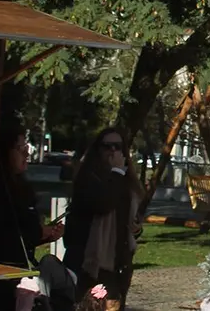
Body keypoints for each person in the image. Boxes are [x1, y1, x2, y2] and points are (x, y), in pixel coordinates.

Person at [0, 122, 65, 310]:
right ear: (5, 151)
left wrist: (45, 235)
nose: (26, 153)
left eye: (26, 147)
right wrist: (38, 232)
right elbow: (2, 234)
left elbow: (22, 237)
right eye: (20, 148)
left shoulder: (19, 186)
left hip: (15, 276)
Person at [63, 128, 144, 310]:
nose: (113, 151)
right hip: (89, 261)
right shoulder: (88, 178)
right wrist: (116, 171)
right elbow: (102, 204)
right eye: (107, 146)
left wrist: (137, 228)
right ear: (97, 150)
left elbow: (131, 215)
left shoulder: (124, 179)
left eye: (118, 146)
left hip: (118, 261)